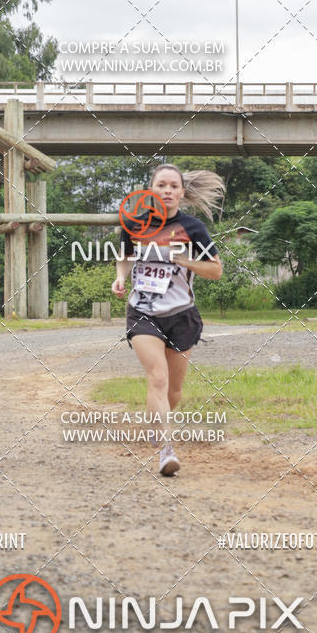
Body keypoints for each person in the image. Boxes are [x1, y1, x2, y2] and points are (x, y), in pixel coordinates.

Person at [112, 165, 224, 476]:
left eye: (173, 186)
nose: (167, 191)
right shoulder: (134, 224)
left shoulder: (193, 228)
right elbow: (125, 256)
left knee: (173, 392)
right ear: (151, 190)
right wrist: (120, 277)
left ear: (182, 192)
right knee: (157, 379)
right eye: (161, 185)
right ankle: (166, 450)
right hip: (143, 312)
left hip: (181, 314)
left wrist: (183, 259)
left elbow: (216, 270)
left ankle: (157, 421)